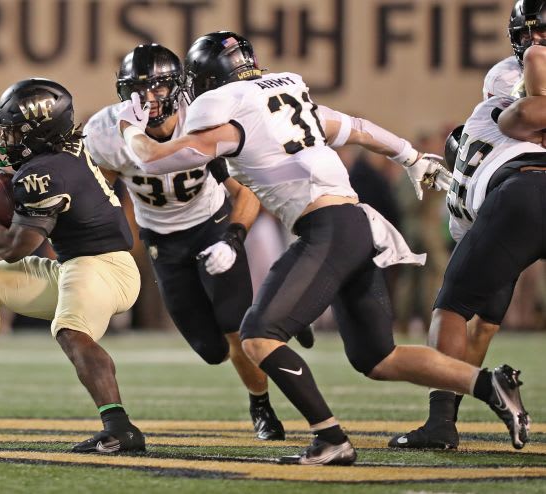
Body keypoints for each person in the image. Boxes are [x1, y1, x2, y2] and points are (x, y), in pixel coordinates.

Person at [116, 31, 531, 465]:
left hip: (327, 229)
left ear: (206, 81)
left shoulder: (228, 117)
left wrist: (129, 123)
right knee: (378, 357)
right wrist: (410, 156)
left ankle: (330, 438)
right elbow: (358, 128)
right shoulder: (289, 101)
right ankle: (489, 385)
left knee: (257, 337)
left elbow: (153, 158)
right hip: (355, 224)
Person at [84, 43, 312, 440]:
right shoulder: (105, 132)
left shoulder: (204, 117)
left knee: (236, 331)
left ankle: (261, 404)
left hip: (212, 225)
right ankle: (276, 313)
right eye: (138, 89)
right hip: (162, 240)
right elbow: (101, 191)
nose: (148, 99)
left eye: (157, 88)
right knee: (211, 351)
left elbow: (246, 191)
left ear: (178, 87)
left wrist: (233, 238)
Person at [0, 78, 145, 454]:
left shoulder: (46, 173)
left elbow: (15, 248)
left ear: (41, 132)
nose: (4, 138)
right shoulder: (57, 154)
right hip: (75, 267)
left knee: (70, 330)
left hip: (105, 268)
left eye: (15, 130)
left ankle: (120, 427)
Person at [389, 0, 540, 450]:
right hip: (517, 198)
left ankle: (440, 423)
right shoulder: (506, 97)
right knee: (483, 322)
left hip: (521, 196)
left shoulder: (481, 129)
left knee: (452, 309)